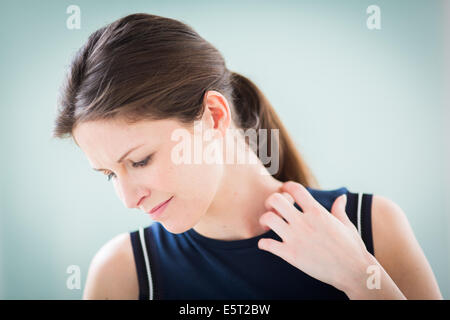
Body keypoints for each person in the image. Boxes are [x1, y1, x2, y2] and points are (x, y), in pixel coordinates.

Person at [52, 13, 442, 300]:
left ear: (215, 116)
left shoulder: (373, 227)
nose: (128, 199)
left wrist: (362, 279)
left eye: (140, 161)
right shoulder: (123, 273)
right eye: (109, 174)